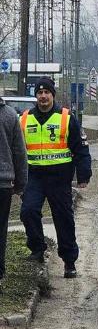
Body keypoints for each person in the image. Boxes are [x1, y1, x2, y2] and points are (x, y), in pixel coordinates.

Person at [19, 78, 91, 278]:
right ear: (36, 96)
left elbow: (81, 148)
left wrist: (83, 173)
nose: (43, 96)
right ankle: (37, 248)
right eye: (39, 93)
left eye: (47, 93)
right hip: (33, 177)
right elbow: (17, 150)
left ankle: (69, 261)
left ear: (53, 95)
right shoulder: (24, 119)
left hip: (59, 178)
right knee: (28, 211)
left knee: (63, 219)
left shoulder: (66, 118)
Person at [0, 95, 27, 287]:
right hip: (3, 184)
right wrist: (20, 184)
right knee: (1, 230)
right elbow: (19, 152)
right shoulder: (10, 115)